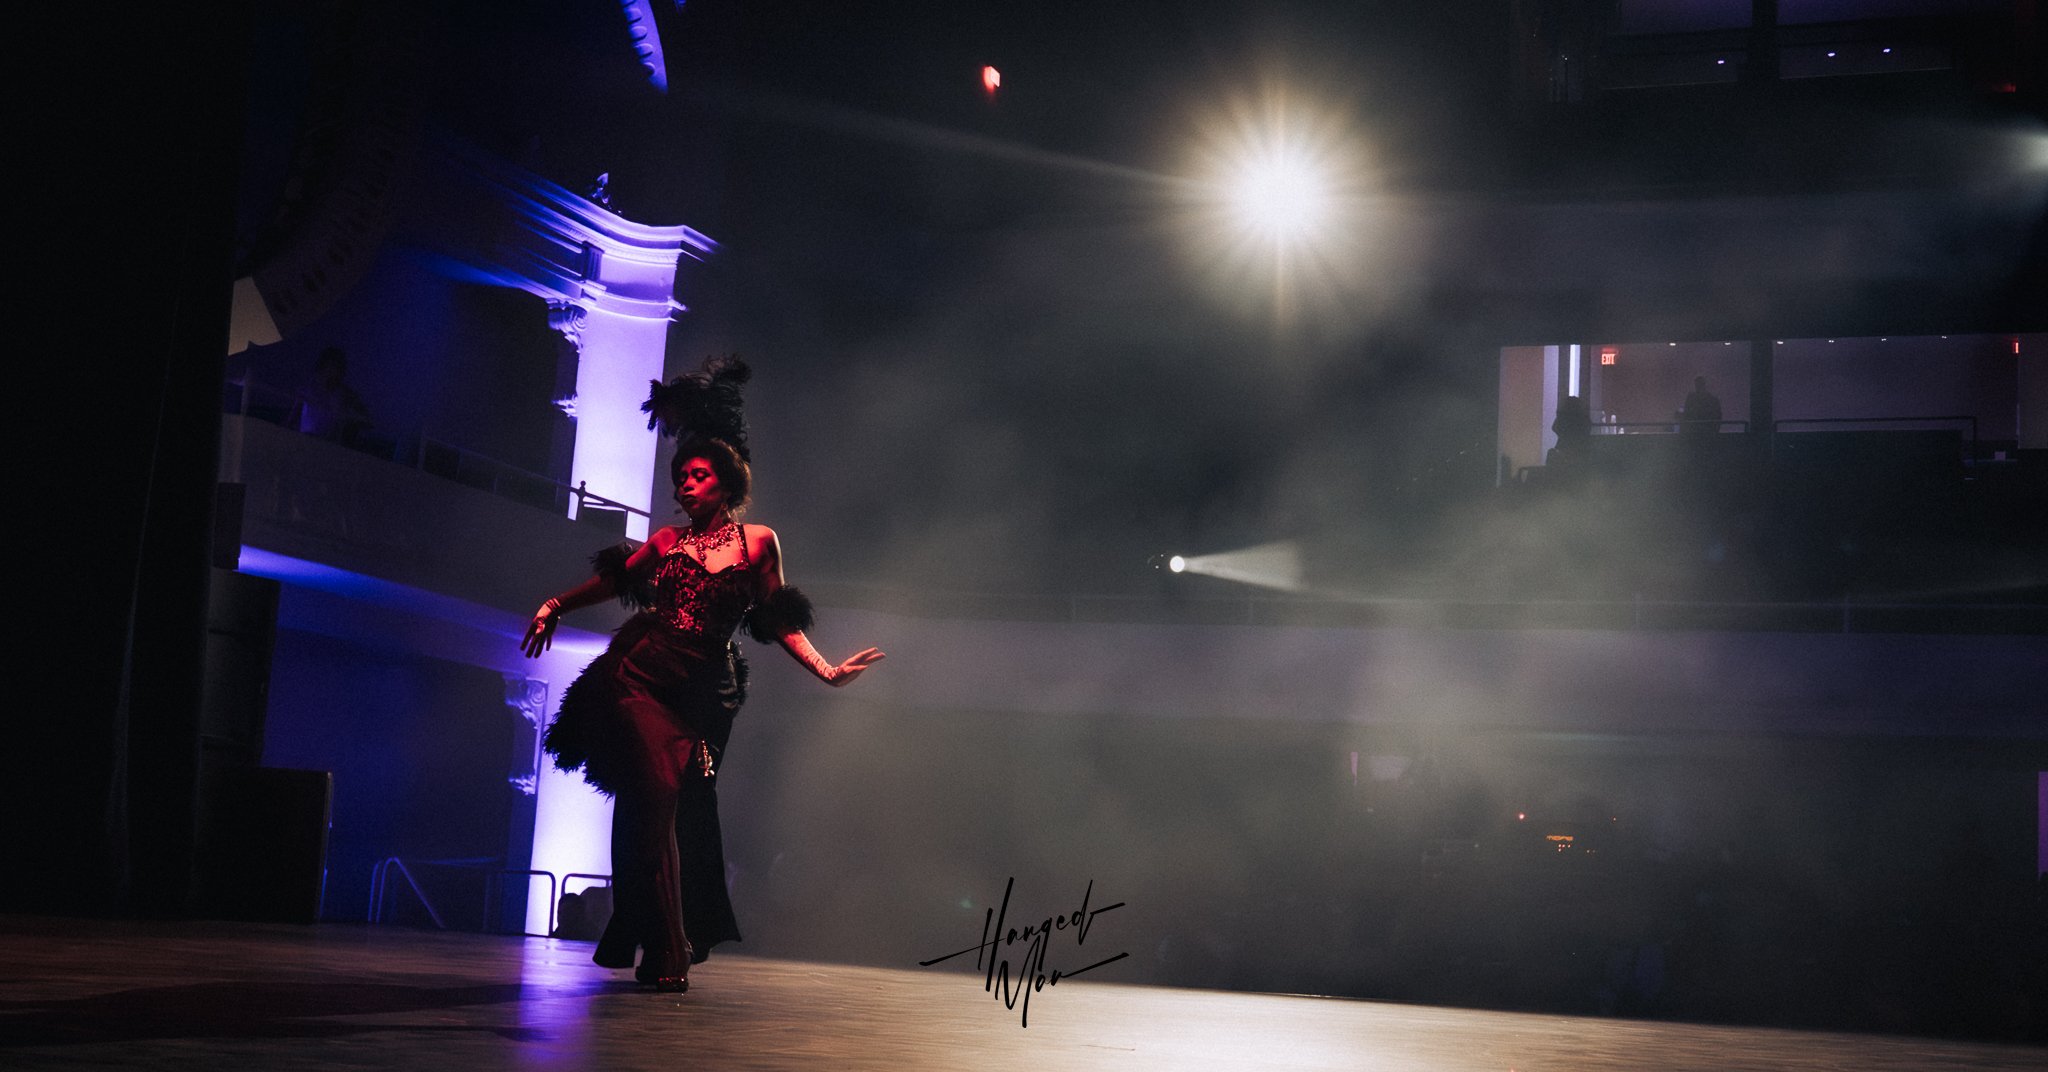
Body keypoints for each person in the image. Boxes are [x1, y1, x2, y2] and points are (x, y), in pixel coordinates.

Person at [521, 357, 884, 993]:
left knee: (679, 806)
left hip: (705, 691)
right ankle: (669, 949)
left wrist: (828, 671)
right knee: (656, 798)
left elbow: (776, 620)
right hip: (642, 678)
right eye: (681, 477)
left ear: (727, 482)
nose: (686, 485)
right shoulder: (667, 543)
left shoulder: (758, 542)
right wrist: (555, 603)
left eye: (699, 475)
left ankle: (664, 930)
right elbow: (613, 580)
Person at [293, 346, 372, 445]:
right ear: (322, 367)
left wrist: (350, 419)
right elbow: (292, 418)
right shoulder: (307, 389)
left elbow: (367, 421)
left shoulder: (346, 395)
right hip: (304, 441)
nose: (331, 373)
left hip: (329, 447)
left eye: (335, 368)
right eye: (328, 367)